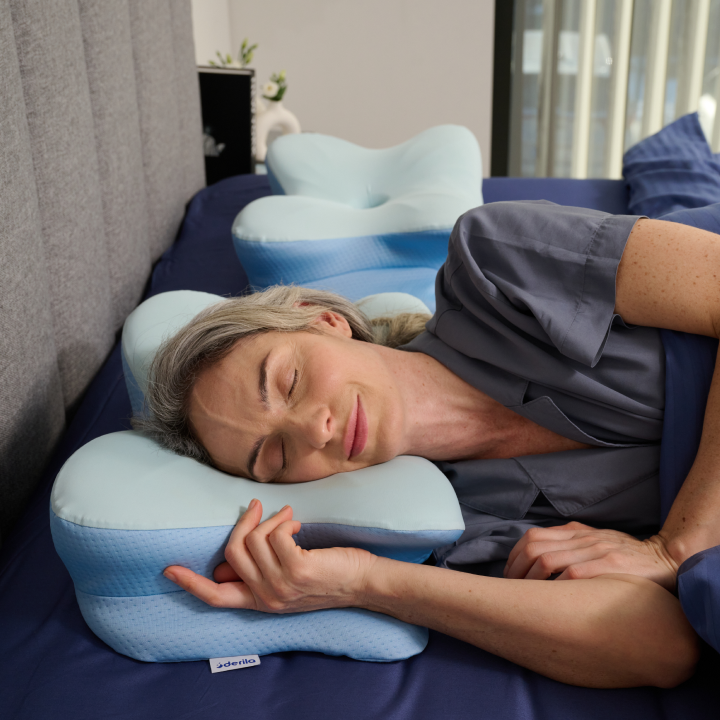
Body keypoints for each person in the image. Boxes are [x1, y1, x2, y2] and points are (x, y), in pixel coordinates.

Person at [137, 201, 720, 688]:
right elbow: (662, 648)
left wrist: (674, 548)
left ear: (320, 320)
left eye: (289, 382)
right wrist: (365, 582)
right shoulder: (453, 526)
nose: (316, 430)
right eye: (277, 457)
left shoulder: (493, 261)